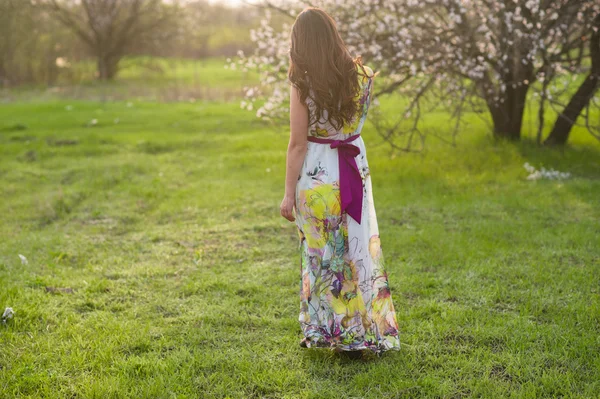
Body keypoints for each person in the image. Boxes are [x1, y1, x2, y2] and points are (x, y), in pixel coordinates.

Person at [279, 7, 401, 359]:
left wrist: (288, 194)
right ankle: (361, 332)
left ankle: (339, 333)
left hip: (319, 174)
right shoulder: (362, 74)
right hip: (354, 167)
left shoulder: (302, 83)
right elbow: (352, 124)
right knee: (356, 251)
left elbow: (298, 143)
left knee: (324, 257)